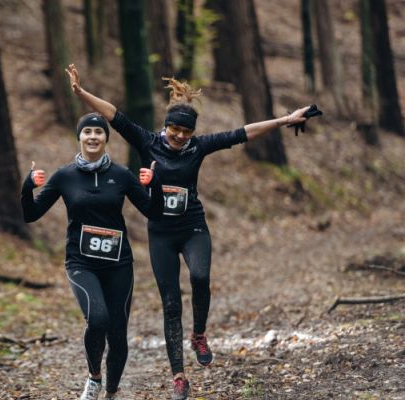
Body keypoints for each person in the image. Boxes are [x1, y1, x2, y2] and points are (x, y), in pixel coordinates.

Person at [66, 64, 314, 400]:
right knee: (170, 305)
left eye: (186, 131)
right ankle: (179, 376)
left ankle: (199, 334)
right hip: (161, 234)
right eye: (174, 130)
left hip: (193, 226)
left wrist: (285, 120)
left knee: (199, 277)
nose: (180, 136)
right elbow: (114, 115)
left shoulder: (199, 147)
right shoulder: (147, 141)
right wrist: (81, 94)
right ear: (165, 126)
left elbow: (243, 132)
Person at [21, 112, 164, 400]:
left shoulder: (122, 175)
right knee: (98, 319)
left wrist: (155, 185)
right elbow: (30, 214)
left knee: (118, 335)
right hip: (80, 262)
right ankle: (94, 378)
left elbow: (154, 212)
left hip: (118, 264)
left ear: (106, 139)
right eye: (87, 132)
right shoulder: (64, 176)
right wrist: (27, 187)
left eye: (98, 132)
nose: (93, 137)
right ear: (80, 137)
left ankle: (111, 392)